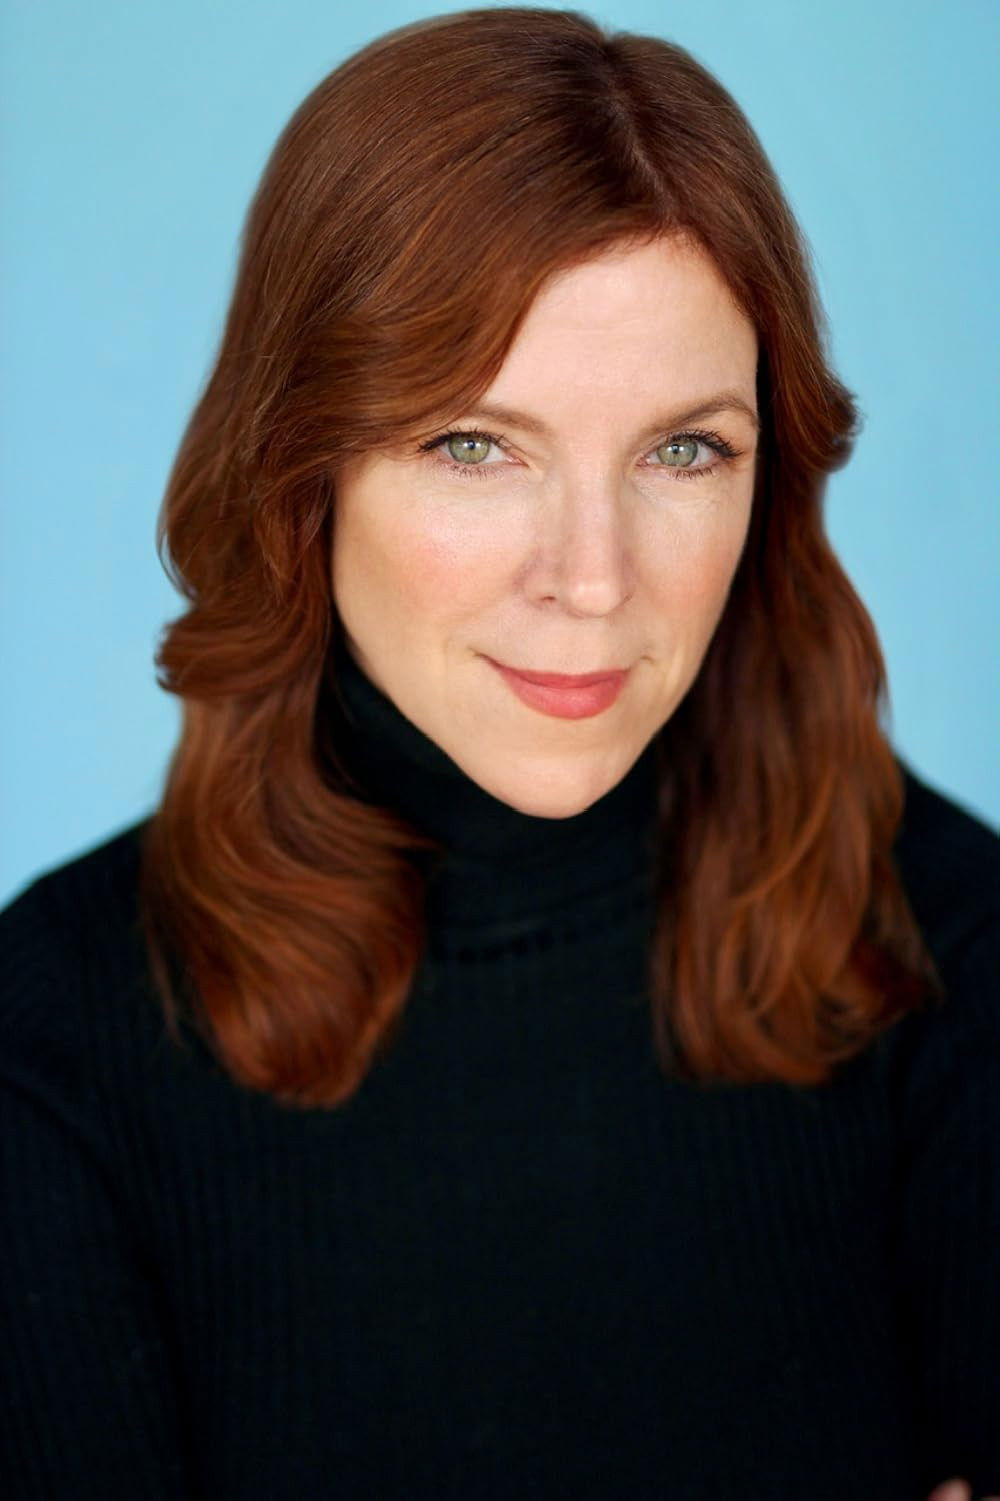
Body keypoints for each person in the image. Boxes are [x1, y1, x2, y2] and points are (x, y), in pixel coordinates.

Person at [1, 7, 997, 1498]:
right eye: (474, 444)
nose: (593, 579)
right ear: (302, 469)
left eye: (684, 449)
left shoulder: (956, 948)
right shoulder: (55, 1034)